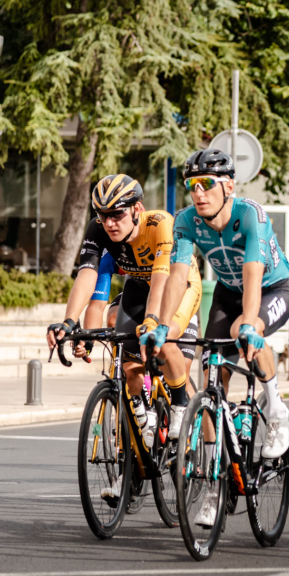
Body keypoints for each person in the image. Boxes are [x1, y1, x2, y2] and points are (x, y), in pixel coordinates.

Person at [151, 149, 289, 527]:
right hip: (228, 293)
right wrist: (162, 325)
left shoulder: (251, 216)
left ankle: (277, 408)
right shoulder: (186, 221)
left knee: (243, 333)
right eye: (192, 186)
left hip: (272, 288)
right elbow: (178, 275)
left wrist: (249, 323)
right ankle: (216, 486)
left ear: (228, 186)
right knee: (212, 376)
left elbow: (252, 277)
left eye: (207, 185)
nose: (199, 193)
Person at [47, 174, 201, 474]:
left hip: (176, 286)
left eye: (117, 214)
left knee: (164, 336)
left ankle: (181, 405)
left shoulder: (160, 224)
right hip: (138, 288)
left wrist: (154, 322)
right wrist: (74, 326)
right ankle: (142, 422)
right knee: (127, 358)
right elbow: (90, 280)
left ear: (136, 209)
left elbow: (161, 283)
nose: (109, 223)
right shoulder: (100, 230)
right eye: (102, 216)